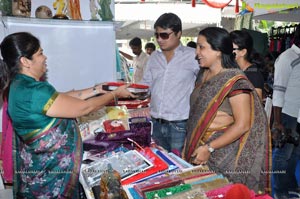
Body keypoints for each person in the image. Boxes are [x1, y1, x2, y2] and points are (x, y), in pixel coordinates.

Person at [0, 32, 134, 198]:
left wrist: (98, 89)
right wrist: (116, 94)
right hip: (50, 178)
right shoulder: (34, 91)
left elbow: (61, 99)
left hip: (38, 173)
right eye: (40, 53)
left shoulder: (20, 85)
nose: (45, 57)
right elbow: (84, 108)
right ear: (25, 61)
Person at [183, 27, 271, 193]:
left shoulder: (236, 81)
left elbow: (243, 125)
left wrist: (209, 148)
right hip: (196, 146)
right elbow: (196, 114)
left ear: (218, 51)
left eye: (202, 47)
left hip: (222, 153)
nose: (197, 53)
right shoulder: (203, 75)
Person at [142, 13, 199, 156]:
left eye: (165, 35)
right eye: (157, 35)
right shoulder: (154, 57)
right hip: (156, 122)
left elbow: (206, 82)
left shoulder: (193, 56)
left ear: (179, 33)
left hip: (179, 124)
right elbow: (146, 84)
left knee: (180, 166)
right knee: (161, 164)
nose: (159, 39)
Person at [271, 24, 300, 199]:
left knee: (295, 153)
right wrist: (278, 121)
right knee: (283, 154)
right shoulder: (287, 57)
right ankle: (279, 191)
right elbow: (278, 90)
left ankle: (290, 185)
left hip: (297, 114)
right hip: (287, 114)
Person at [230, 30, 265, 100]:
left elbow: (256, 107)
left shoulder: (253, 75)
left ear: (243, 52)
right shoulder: (236, 70)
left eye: (231, 48)